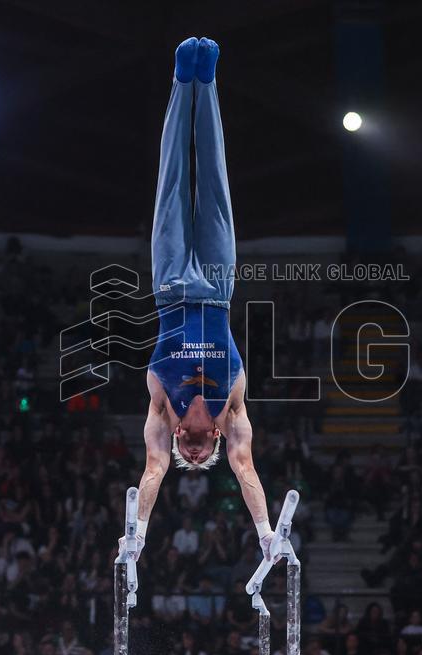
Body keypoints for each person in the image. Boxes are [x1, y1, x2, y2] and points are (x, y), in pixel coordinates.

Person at [120, 37, 278, 567]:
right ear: (212, 440)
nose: (189, 454)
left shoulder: (161, 415)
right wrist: (266, 534)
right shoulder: (233, 415)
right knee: (213, 180)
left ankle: (180, 80)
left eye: (186, 455)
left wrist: (137, 536)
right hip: (216, 285)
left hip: (168, 287)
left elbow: (152, 471)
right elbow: (247, 470)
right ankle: (206, 82)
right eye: (198, 455)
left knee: (170, 182)